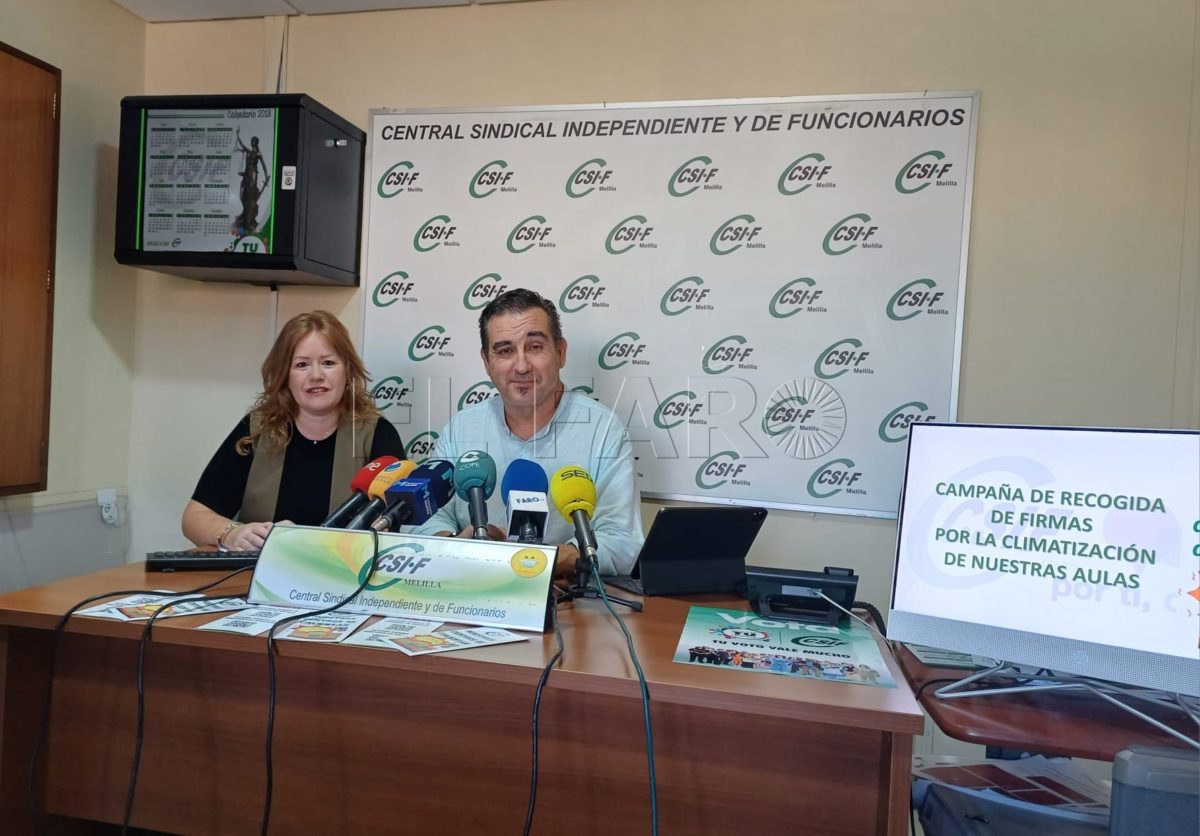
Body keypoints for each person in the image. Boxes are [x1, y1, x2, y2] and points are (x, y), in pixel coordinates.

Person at [409, 288, 644, 577]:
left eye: (534, 347)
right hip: (471, 585)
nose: (521, 366)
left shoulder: (603, 429)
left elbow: (622, 541)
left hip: (566, 594)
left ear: (560, 352)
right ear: (487, 362)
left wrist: (546, 561)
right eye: (505, 351)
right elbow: (427, 517)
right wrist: (456, 544)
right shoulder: (462, 428)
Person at [182, 310, 406, 551]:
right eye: (301, 365)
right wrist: (232, 533)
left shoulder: (376, 434)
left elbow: (400, 526)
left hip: (345, 569)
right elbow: (195, 516)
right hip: (259, 571)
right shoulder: (257, 430)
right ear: (285, 376)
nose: (316, 375)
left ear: (348, 371)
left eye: (328, 363)